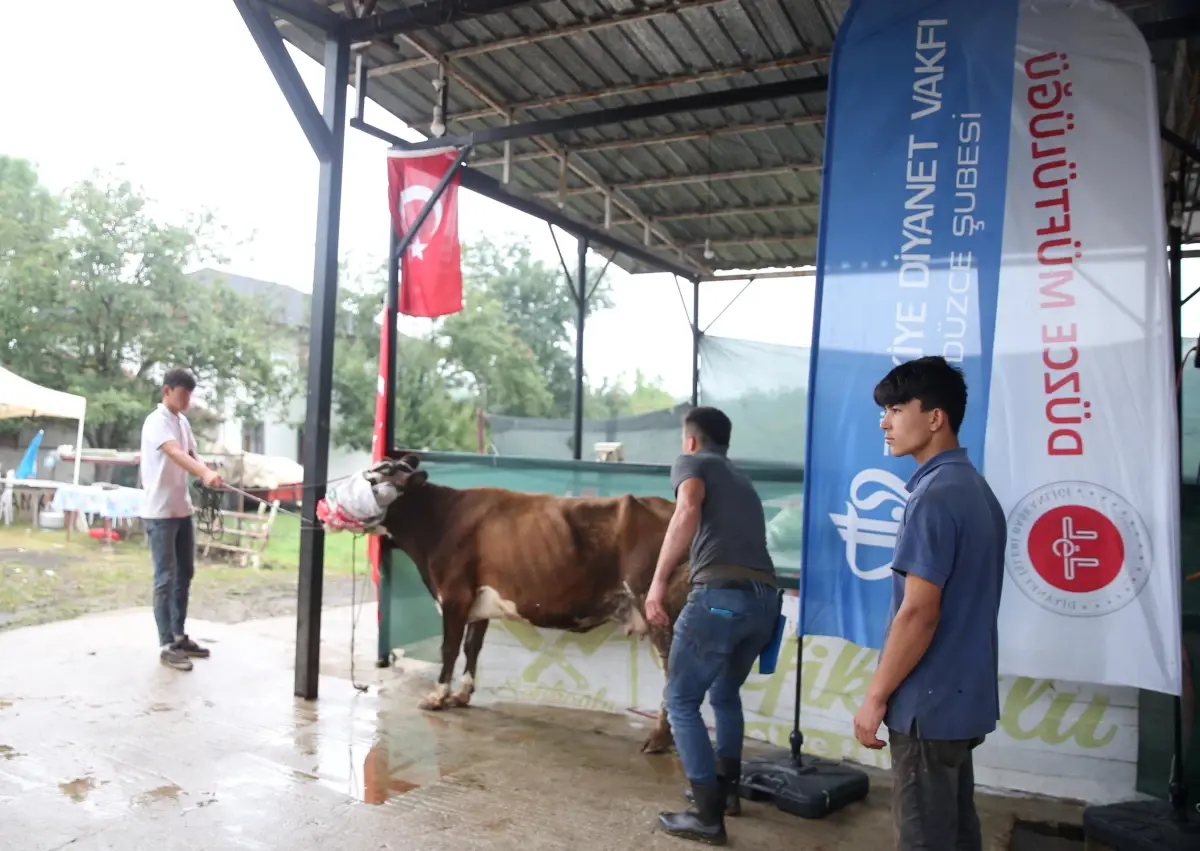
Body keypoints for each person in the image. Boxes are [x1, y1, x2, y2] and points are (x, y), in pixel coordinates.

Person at [851, 356, 1006, 851]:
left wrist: (875, 697)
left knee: (924, 839)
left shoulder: (935, 497)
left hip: (928, 706)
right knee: (957, 835)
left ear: (935, 417)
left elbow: (919, 612)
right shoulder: (976, 490)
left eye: (897, 409)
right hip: (961, 704)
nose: (885, 422)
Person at [645, 405, 781, 846]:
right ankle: (727, 794)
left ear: (690, 439)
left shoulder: (692, 462)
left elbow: (686, 509)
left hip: (722, 597)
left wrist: (657, 583)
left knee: (681, 700)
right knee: (723, 693)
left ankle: (706, 817)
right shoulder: (742, 480)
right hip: (765, 603)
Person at [139, 367, 223, 672]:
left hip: (181, 509)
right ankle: (166, 645)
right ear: (167, 391)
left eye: (190, 394)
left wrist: (208, 472)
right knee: (165, 578)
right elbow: (174, 453)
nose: (187, 399)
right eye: (182, 393)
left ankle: (179, 634)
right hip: (159, 512)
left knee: (185, 573)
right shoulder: (156, 422)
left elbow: (191, 455)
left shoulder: (182, 421)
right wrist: (202, 472)